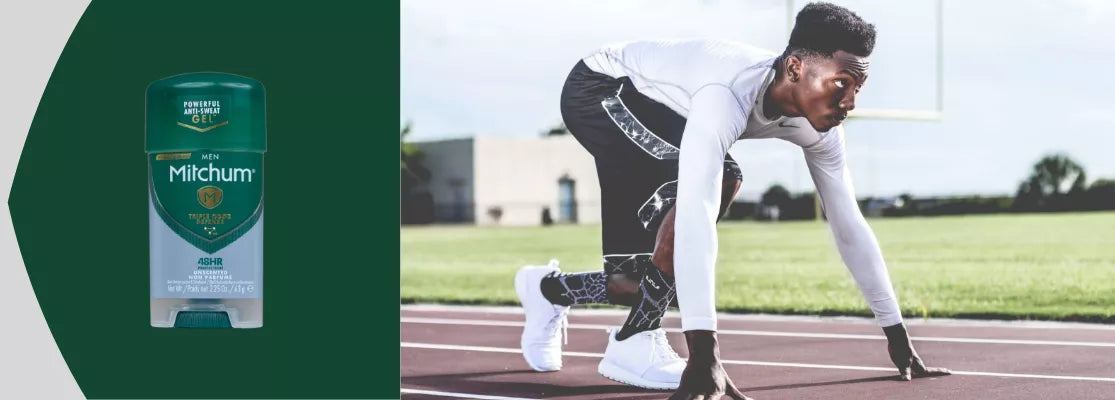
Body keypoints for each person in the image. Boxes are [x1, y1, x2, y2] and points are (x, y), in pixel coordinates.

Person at [514, 3, 950, 398]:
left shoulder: (823, 130)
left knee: (634, 283)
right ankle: (634, 340)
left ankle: (548, 289)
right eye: (841, 83)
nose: (850, 101)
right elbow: (697, 215)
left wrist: (898, 338)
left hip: (661, 109)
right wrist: (704, 356)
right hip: (599, 89)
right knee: (722, 178)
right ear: (794, 68)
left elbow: (849, 225)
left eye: (858, 87)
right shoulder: (726, 93)